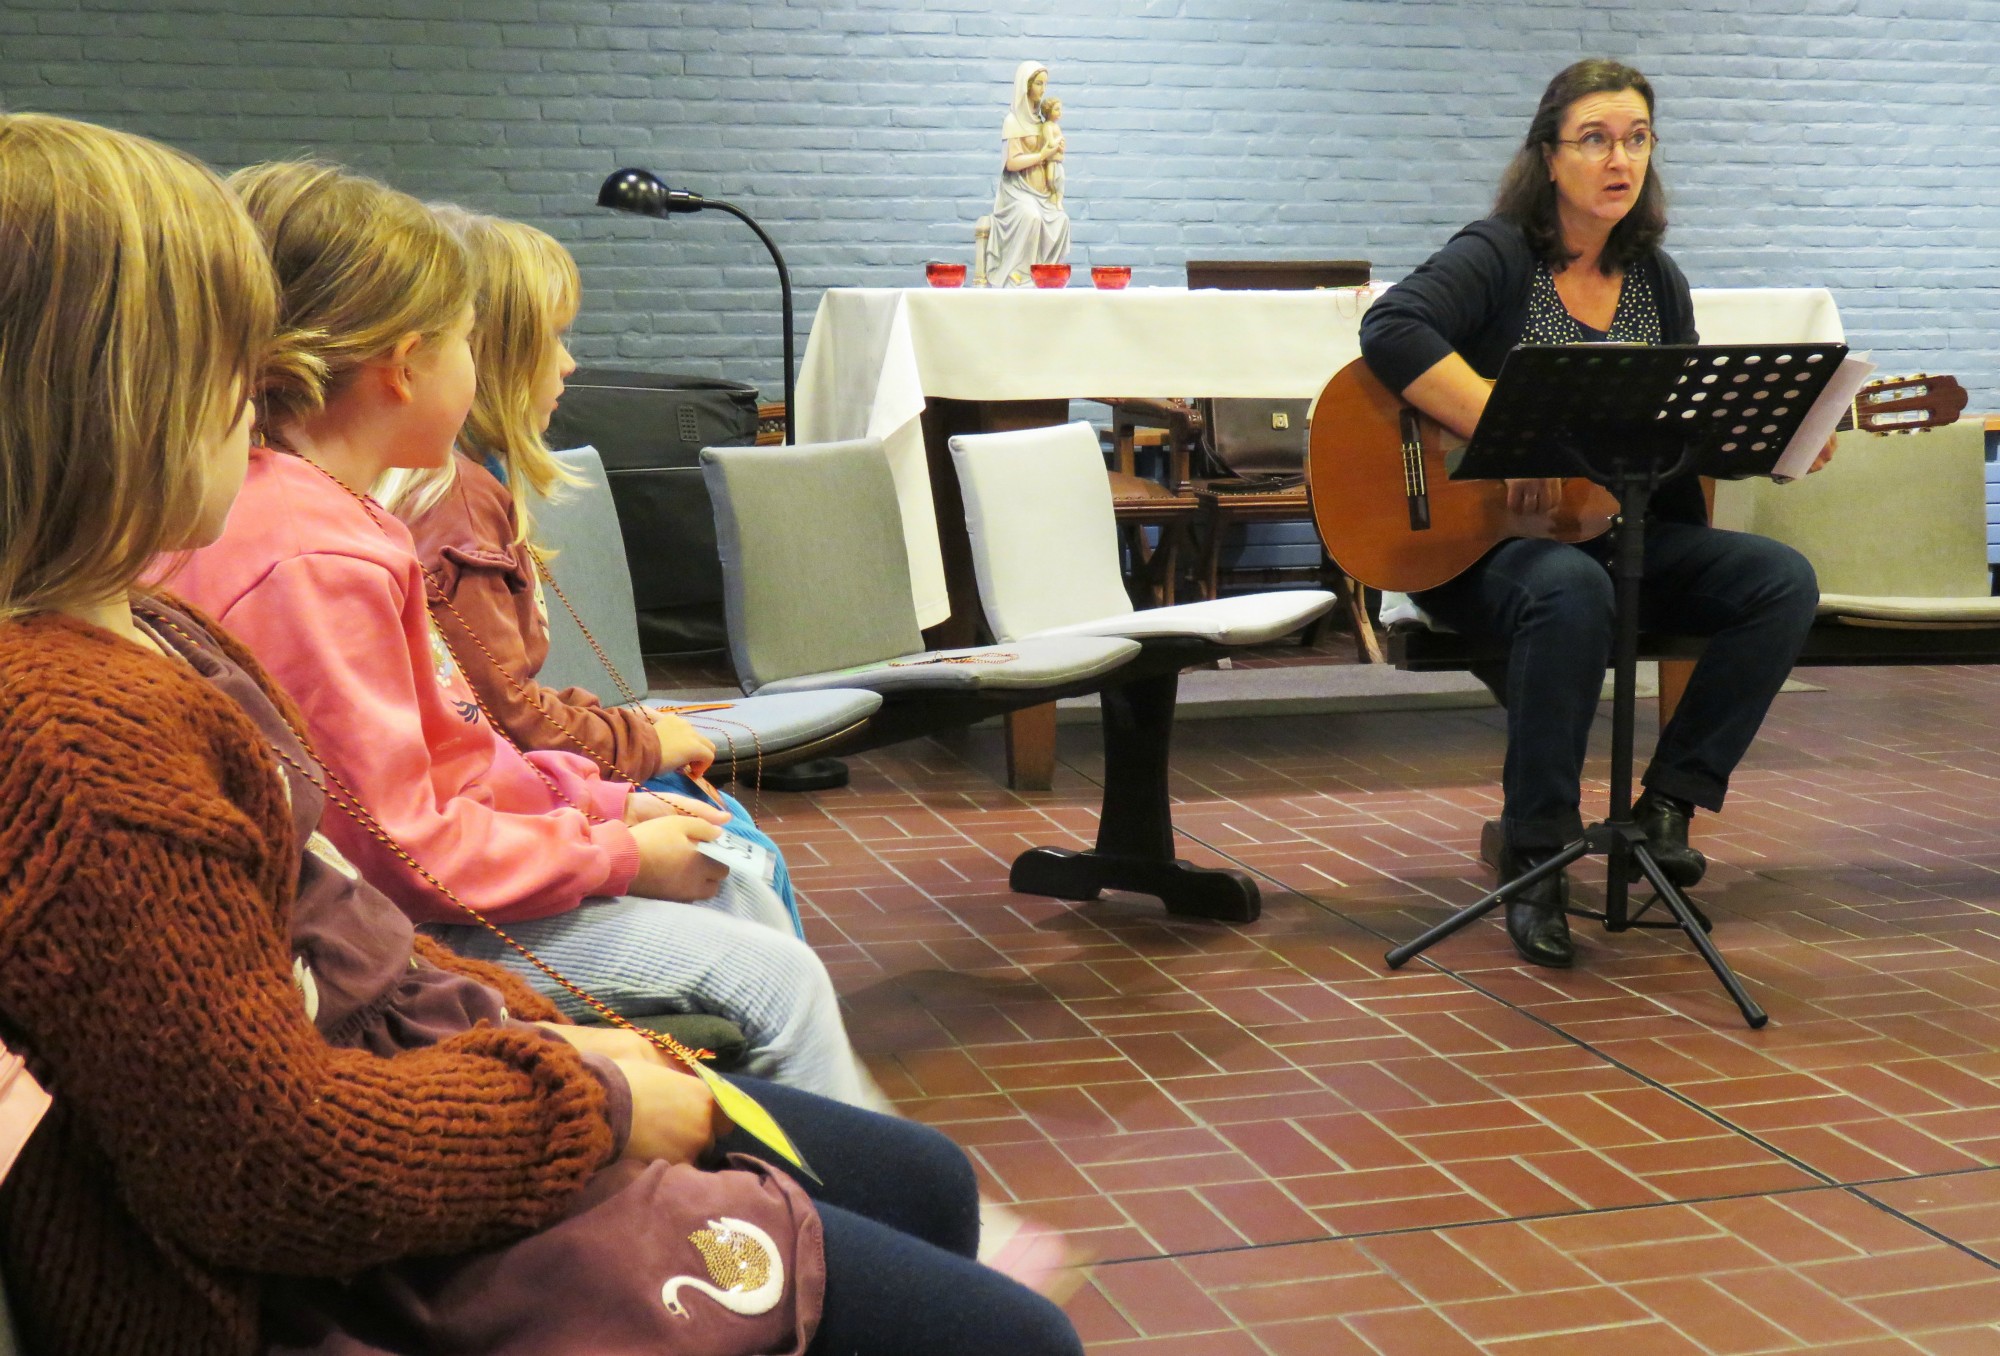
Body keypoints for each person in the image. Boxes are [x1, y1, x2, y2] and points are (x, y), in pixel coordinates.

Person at [0, 111, 1083, 1356]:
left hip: (426, 1059)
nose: (262, 393)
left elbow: (353, 929)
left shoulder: (151, 628)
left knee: (924, 1182)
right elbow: (263, 1160)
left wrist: (523, 1014)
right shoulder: (90, 736)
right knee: (1007, 1330)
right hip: (353, 1261)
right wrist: (587, 1093)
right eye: (222, 361)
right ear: (102, 397)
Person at [169, 160, 869, 1104]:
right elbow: (398, 849)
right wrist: (615, 850)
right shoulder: (310, 555)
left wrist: (602, 804)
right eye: (467, 339)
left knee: (728, 865)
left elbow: (454, 754)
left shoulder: (342, 522)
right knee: (772, 980)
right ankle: (819, 1197)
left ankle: (788, 1192)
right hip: (395, 937)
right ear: (406, 362)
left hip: (430, 889)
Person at [1358, 59, 1827, 969]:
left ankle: (1665, 807)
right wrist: (1509, 433)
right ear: (1549, 154)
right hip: (1480, 549)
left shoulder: (1657, 281)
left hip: (1619, 536)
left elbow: (1675, 435)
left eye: (1638, 140)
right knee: (1568, 589)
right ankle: (1538, 859)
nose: (1621, 159)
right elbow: (1394, 329)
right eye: (1597, 139)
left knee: (1779, 580)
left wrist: (1779, 439)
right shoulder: (1498, 254)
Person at [382, 207, 803, 936]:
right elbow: (502, 716)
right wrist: (638, 746)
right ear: (495, 354)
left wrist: (626, 727)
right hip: (496, 821)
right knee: (741, 853)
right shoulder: (453, 501)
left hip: (508, 795)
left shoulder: (463, 487)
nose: (570, 364)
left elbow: (497, 697)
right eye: (551, 338)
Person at [985, 60, 1070, 287]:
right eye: (1039, 84)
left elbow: (1050, 151)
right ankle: (1019, 275)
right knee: (1031, 216)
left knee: (1061, 220)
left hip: (1042, 193)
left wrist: (1057, 150)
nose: (1043, 89)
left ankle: (1044, 276)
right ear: (1026, 86)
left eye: (1045, 84)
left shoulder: (1041, 121)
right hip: (1017, 192)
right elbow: (1012, 162)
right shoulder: (1012, 121)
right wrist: (1043, 155)